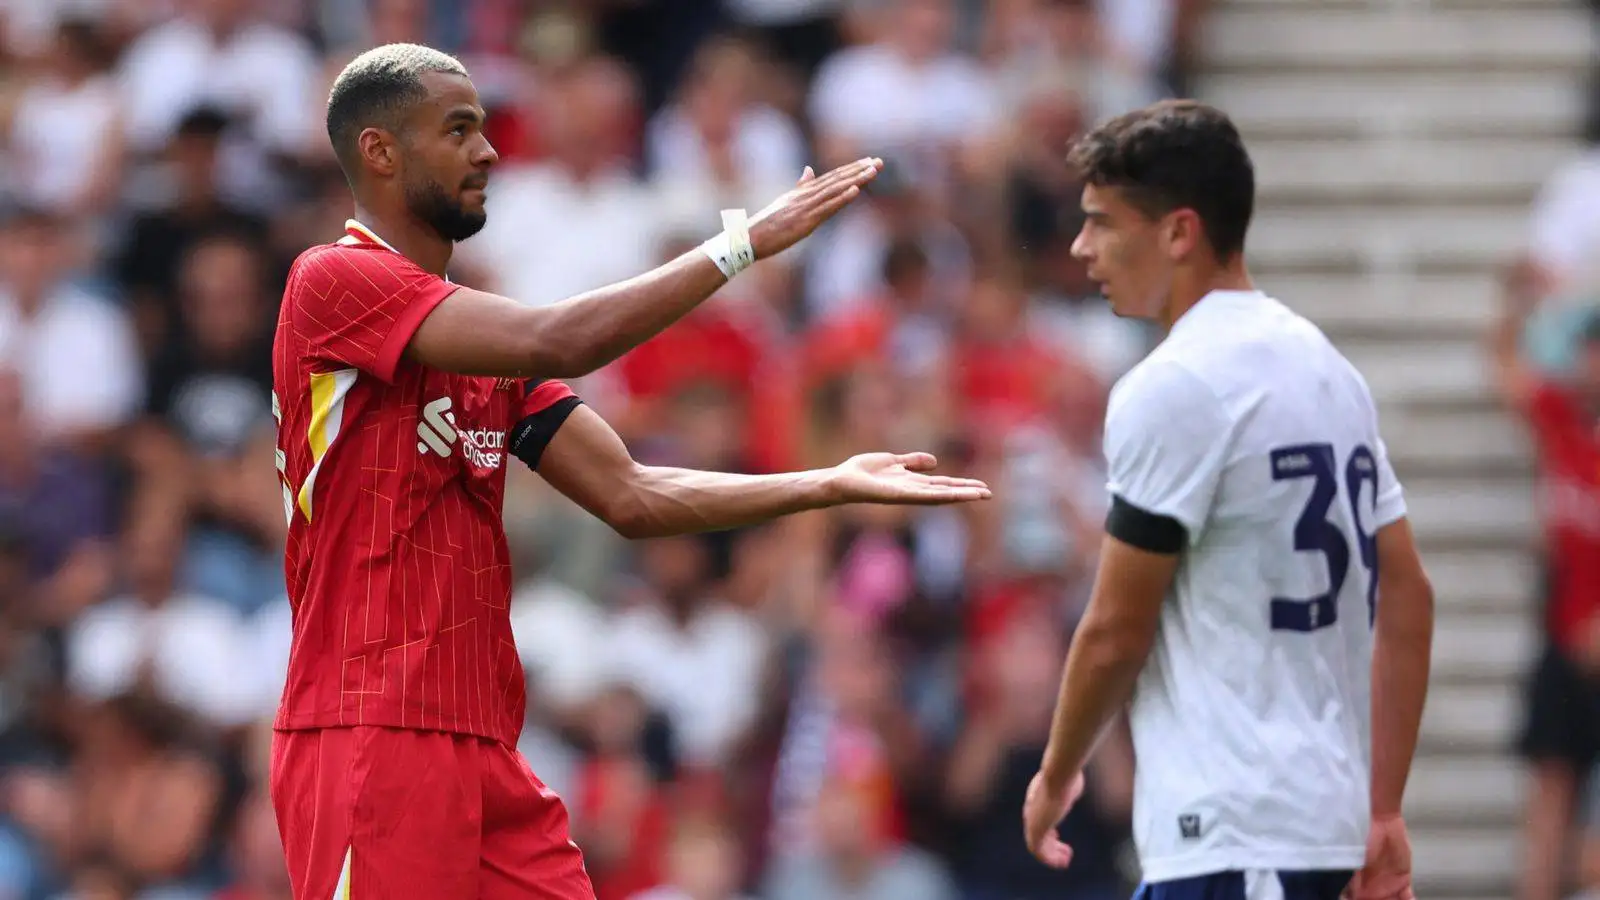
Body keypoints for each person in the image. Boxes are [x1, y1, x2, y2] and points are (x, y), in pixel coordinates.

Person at [269, 43, 991, 900]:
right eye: (458, 130)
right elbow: (560, 339)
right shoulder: (334, 280)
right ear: (380, 152)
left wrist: (826, 483)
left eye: (484, 130)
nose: (489, 151)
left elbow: (634, 493)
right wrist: (740, 246)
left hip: (481, 741)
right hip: (369, 729)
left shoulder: (482, 354)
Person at [1019, 100, 1436, 900]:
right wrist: (1381, 807)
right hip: (1322, 827)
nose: (1081, 247)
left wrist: (1057, 772)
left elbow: (1115, 629)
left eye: (1102, 222)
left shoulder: (1174, 386)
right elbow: (1410, 594)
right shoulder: (1327, 370)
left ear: (1179, 232)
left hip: (1231, 835)